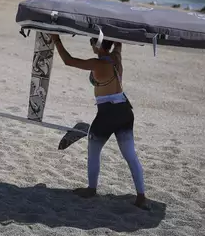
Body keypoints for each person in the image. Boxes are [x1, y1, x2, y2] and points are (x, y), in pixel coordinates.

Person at [50, 34, 147, 208]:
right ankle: (141, 196)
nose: (91, 46)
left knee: (93, 149)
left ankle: (91, 189)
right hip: (125, 111)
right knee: (130, 155)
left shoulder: (97, 63)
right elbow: (119, 43)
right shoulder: (116, 56)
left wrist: (56, 39)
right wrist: (115, 31)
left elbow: (68, 60)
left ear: (97, 45)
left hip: (107, 113)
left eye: (91, 42)